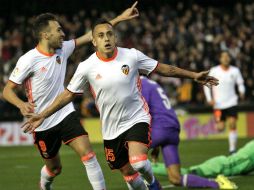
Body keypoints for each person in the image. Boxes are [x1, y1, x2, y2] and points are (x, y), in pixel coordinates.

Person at [22, 18, 219, 190]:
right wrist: (43, 115)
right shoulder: (86, 67)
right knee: (128, 174)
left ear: (115, 38)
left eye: (110, 34)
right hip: (111, 129)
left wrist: (194, 76)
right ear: (93, 41)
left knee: (139, 163)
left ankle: (152, 183)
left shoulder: (132, 55)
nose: (106, 38)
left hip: (137, 118)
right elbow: (67, 95)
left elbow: (164, 68)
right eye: (100, 35)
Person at [2, 3, 139, 190]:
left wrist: (119, 19)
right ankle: (44, 184)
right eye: (58, 30)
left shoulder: (63, 49)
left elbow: (93, 35)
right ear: (45, 35)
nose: (63, 34)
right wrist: (20, 104)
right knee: (54, 168)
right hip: (41, 122)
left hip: (65, 113)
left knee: (89, 155)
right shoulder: (28, 60)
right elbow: (7, 91)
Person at [141, 76, 237, 189]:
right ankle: (218, 184)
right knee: (175, 178)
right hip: (172, 127)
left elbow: (144, 112)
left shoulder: (139, 84)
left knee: (127, 157)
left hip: (160, 127)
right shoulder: (153, 84)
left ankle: (154, 186)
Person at [203, 51, 245, 154]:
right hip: (218, 104)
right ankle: (219, 123)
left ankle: (232, 150)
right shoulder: (214, 71)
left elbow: (240, 83)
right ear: (220, 59)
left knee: (232, 124)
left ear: (230, 59)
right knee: (220, 128)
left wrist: (242, 91)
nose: (226, 58)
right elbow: (206, 84)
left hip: (232, 102)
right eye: (224, 57)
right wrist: (209, 99)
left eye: (227, 56)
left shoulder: (235, 71)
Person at [152, 140, 254, 178]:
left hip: (224, 164)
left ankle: (149, 166)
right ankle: (150, 166)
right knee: (187, 174)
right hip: (220, 166)